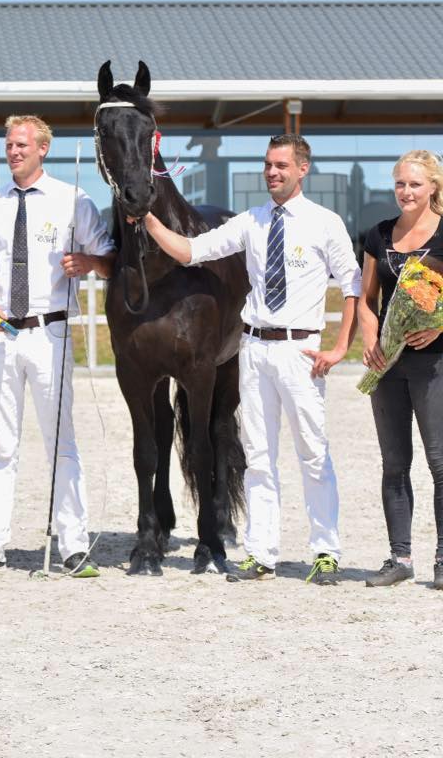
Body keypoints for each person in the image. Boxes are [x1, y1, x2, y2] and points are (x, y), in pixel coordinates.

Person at [140, 133, 361, 585]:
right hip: (255, 349)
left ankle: (325, 551)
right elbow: (190, 251)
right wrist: (146, 217)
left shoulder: (325, 223)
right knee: (259, 457)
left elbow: (354, 286)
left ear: (303, 169)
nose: (272, 172)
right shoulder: (251, 222)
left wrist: (340, 347)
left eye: (281, 165)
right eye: (267, 164)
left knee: (313, 454)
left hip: (301, 351)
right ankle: (261, 553)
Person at [0, 116, 115, 579]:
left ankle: (72, 544)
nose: (13, 151)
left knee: (61, 441)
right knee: (2, 444)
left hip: (51, 333)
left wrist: (87, 261)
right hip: (1, 335)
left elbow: (109, 261)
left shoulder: (74, 200)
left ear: (43, 149)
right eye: (9, 145)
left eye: (22, 144)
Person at [359, 150, 443, 589]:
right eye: (399, 184)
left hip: (435, 364)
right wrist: (370, 340)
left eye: (414, 184)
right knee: (394, 463)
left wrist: (439, 324)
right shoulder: (378, 235)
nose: (406, 192)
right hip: (387, 364)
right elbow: (366, 300)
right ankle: (400, 557)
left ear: (432, 186)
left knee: (440, 462)